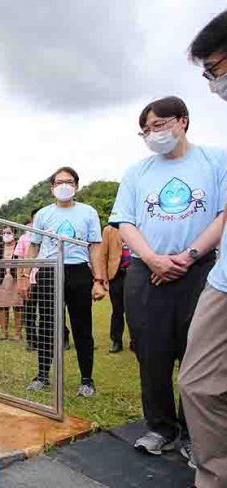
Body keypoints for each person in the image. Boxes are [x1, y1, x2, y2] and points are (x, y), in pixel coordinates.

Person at [109, 96, 227, 461]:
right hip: (147, 271)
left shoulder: (216, 160)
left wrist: (189, 256)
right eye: (145, 130)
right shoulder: (137, 172)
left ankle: (196, 433)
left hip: (201, 269)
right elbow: (125, 221)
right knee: (151, 352)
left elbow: (223, 213)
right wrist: (152, 258)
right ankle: (160, 427)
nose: (151, 134)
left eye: (158, 125)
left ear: (183, 121)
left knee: (197, 354)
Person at [178, 13, 227, 488]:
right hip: (222, 278)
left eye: (215, 68)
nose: (213, 82)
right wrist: (192, 255)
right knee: (197, 383)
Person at [25, 167, 106, 397]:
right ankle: (42, 375)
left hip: (78, 272)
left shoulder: (88, 212)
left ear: (76, 186)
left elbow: (95, 247)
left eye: (69, 182)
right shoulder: (42, 214)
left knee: (82, 327)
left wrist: (98, 280)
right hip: (49, 271)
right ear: (51, 187)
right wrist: (24, 276)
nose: (64, 186)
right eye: (59, 182)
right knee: (48, 325)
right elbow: (34, 246)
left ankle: (87, 380)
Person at [101, 224, 132, 353]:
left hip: (135, 273)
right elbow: (103, 255)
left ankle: (135, 341)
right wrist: (103, 278)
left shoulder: (139, 226)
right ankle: (116, 341)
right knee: (117, 310)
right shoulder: (109, 230)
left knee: (136, 310)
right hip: (117, 274)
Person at [15, 209, 41, 352]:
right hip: (28, 279)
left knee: (50, 311)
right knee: (29, 312)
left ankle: (59, 338)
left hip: (45, 278)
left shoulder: (51, 236)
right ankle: (32, 341)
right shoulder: (24, 238)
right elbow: (20, 261)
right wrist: (21, 281)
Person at [0, 226, 24, 341]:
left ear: (14, 234)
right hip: (2, 279)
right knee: (2, 306)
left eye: (8, 232)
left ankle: (17, 333)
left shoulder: (19, 246)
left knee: (18, 306)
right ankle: (4, 333)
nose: (6, 235)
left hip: (16, 278)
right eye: (4, 233)